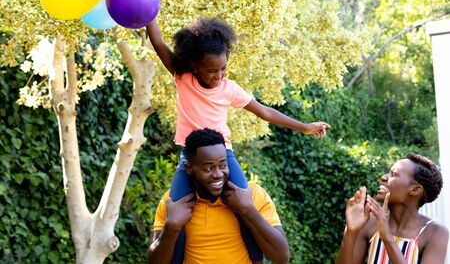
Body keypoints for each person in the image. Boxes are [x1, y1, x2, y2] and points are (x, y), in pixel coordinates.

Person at [146, 17, 330, 261]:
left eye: (223, 69)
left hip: (225, 154)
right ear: (194, 65)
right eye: (212, 71)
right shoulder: (183, 77)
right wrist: (148, 11)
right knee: (176, 212)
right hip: (191, 157)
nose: (219, 76)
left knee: (244, 201)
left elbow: (265, 111)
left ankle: (255, 258)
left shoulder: (229, 89)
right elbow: (158, 42)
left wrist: (304, 127)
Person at [147, 128, 290, 264]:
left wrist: (247, 210)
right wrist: (172, 227)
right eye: (208, 168)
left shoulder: (252, 195)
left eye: (222, 165)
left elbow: (281, 257)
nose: (218, 174)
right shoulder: (174, 203)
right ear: (189, 169)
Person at [336, 153, 449, 264]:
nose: (383, 177)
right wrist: (350, 232)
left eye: (393, 174)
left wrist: (387, 238)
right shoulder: (369, 222)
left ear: (415, 190)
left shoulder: (435, 233)